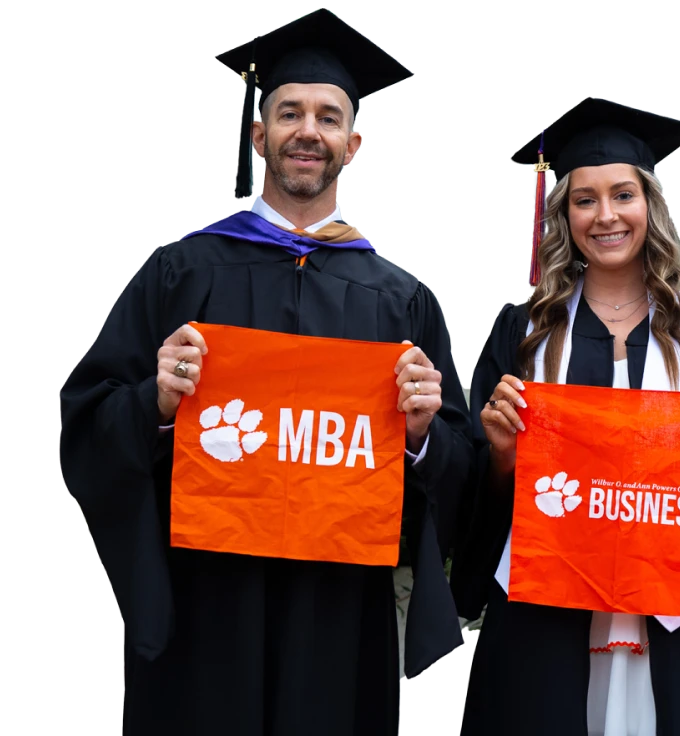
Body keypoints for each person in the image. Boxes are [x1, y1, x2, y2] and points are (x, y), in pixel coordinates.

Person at [58, 9, 472, 736]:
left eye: (327, 116)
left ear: (354, 143)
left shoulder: (401, 299)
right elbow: (87, 422)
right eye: (289, 113)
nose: (307, 130)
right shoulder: (181, 271)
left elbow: (461, 473)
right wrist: (156, 402)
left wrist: (421, 434)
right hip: (208, 603)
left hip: (340, 607)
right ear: (260, 137)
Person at [450, 97, 680, 736]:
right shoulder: (524, 332)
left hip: (679, 624)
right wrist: (499, 454)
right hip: (548, 617)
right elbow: (477, 485)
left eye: (623, 195)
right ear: (563, 215)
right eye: (584, 200)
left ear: (650, 207)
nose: (605, 216)